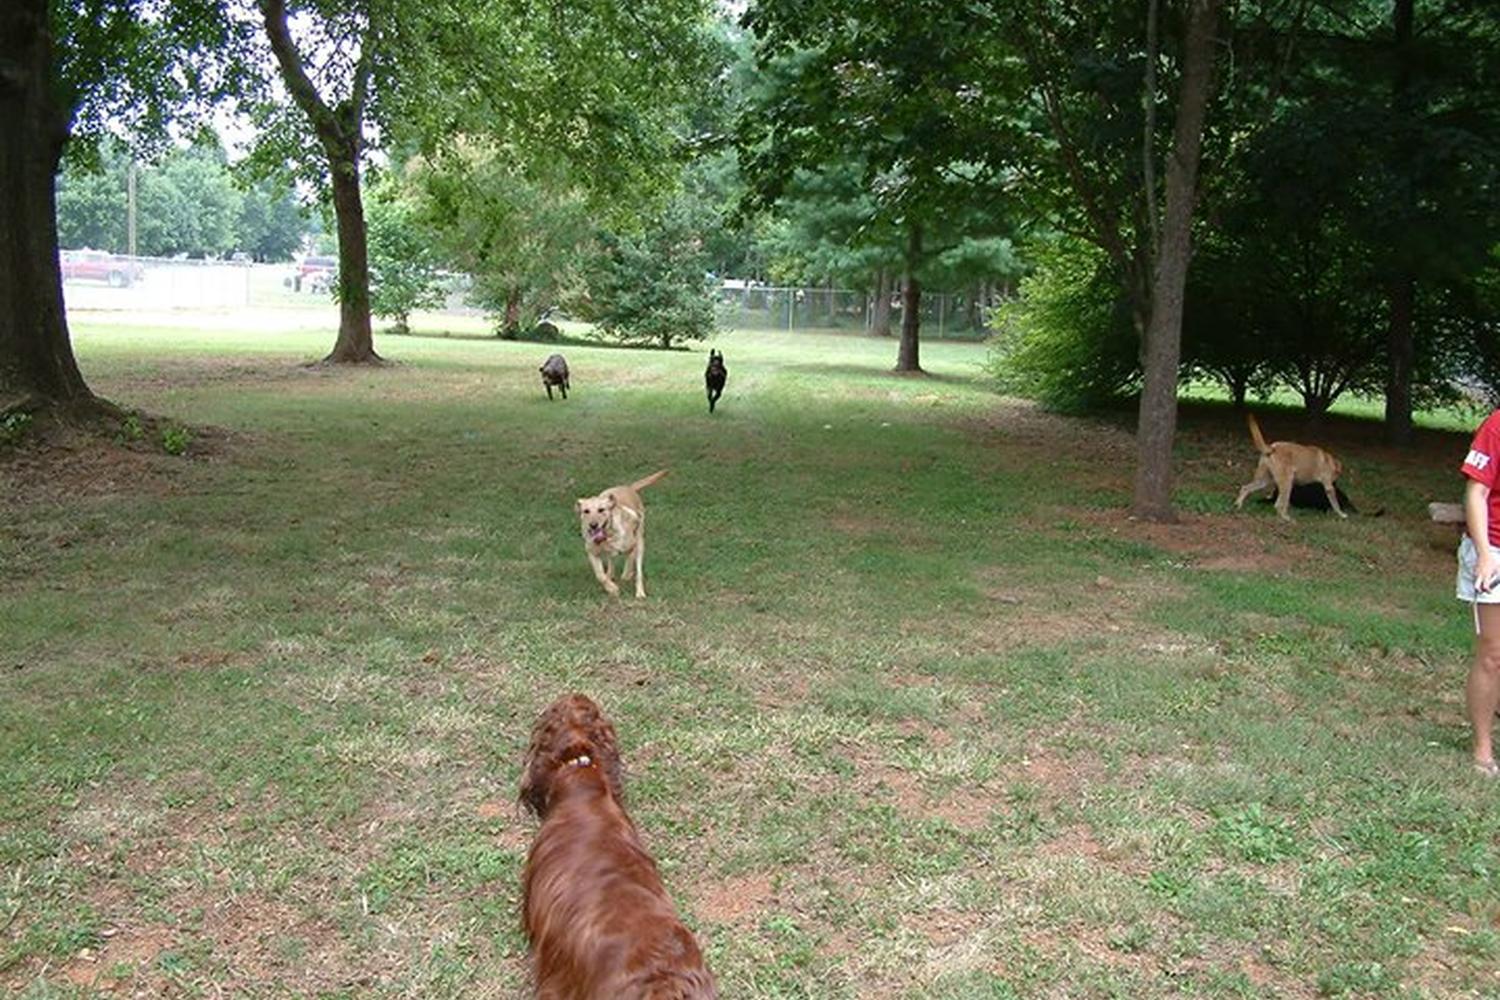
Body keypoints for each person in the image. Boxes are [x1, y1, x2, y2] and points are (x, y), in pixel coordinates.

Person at [1458, 409, 1500, 776]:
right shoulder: (1497, 425)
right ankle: (1483, 748)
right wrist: (1485, 554)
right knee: (1493, 653)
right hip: (1495, 547)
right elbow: (1477, 491)